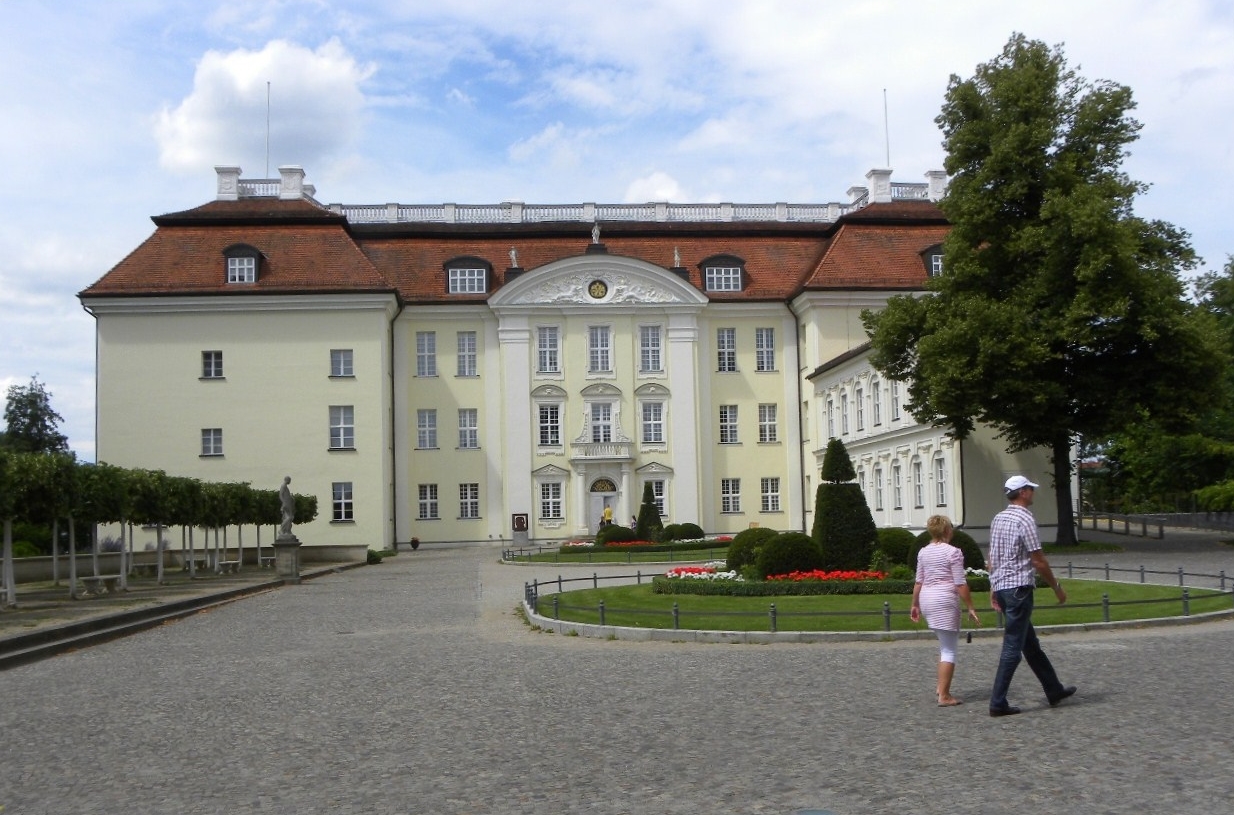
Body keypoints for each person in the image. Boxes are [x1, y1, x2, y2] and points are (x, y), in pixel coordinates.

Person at [987, 475, 1077, 717]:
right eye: (1030, 489)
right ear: (1023, 492)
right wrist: (1056, 587)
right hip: (1018, 588)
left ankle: (1053, 689)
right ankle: (997, 701)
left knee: (1030, 645)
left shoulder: (999, 517)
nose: (1033, 493)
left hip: (1005, 587)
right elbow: (1038, 560)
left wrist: (993, 587)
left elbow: (992, 558)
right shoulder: (1025, 519)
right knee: (1013, 647)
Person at [910, 515, 981, 706]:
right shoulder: (953, 552)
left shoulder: (923, 552)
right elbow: (960, 583)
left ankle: (940, 688)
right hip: (944, 600)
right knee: (949, 650)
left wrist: (915, 604)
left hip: (927, 599)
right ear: (948, 531)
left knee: (944, 645)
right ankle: (944, 695)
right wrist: (971, 606)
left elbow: (918, 581)